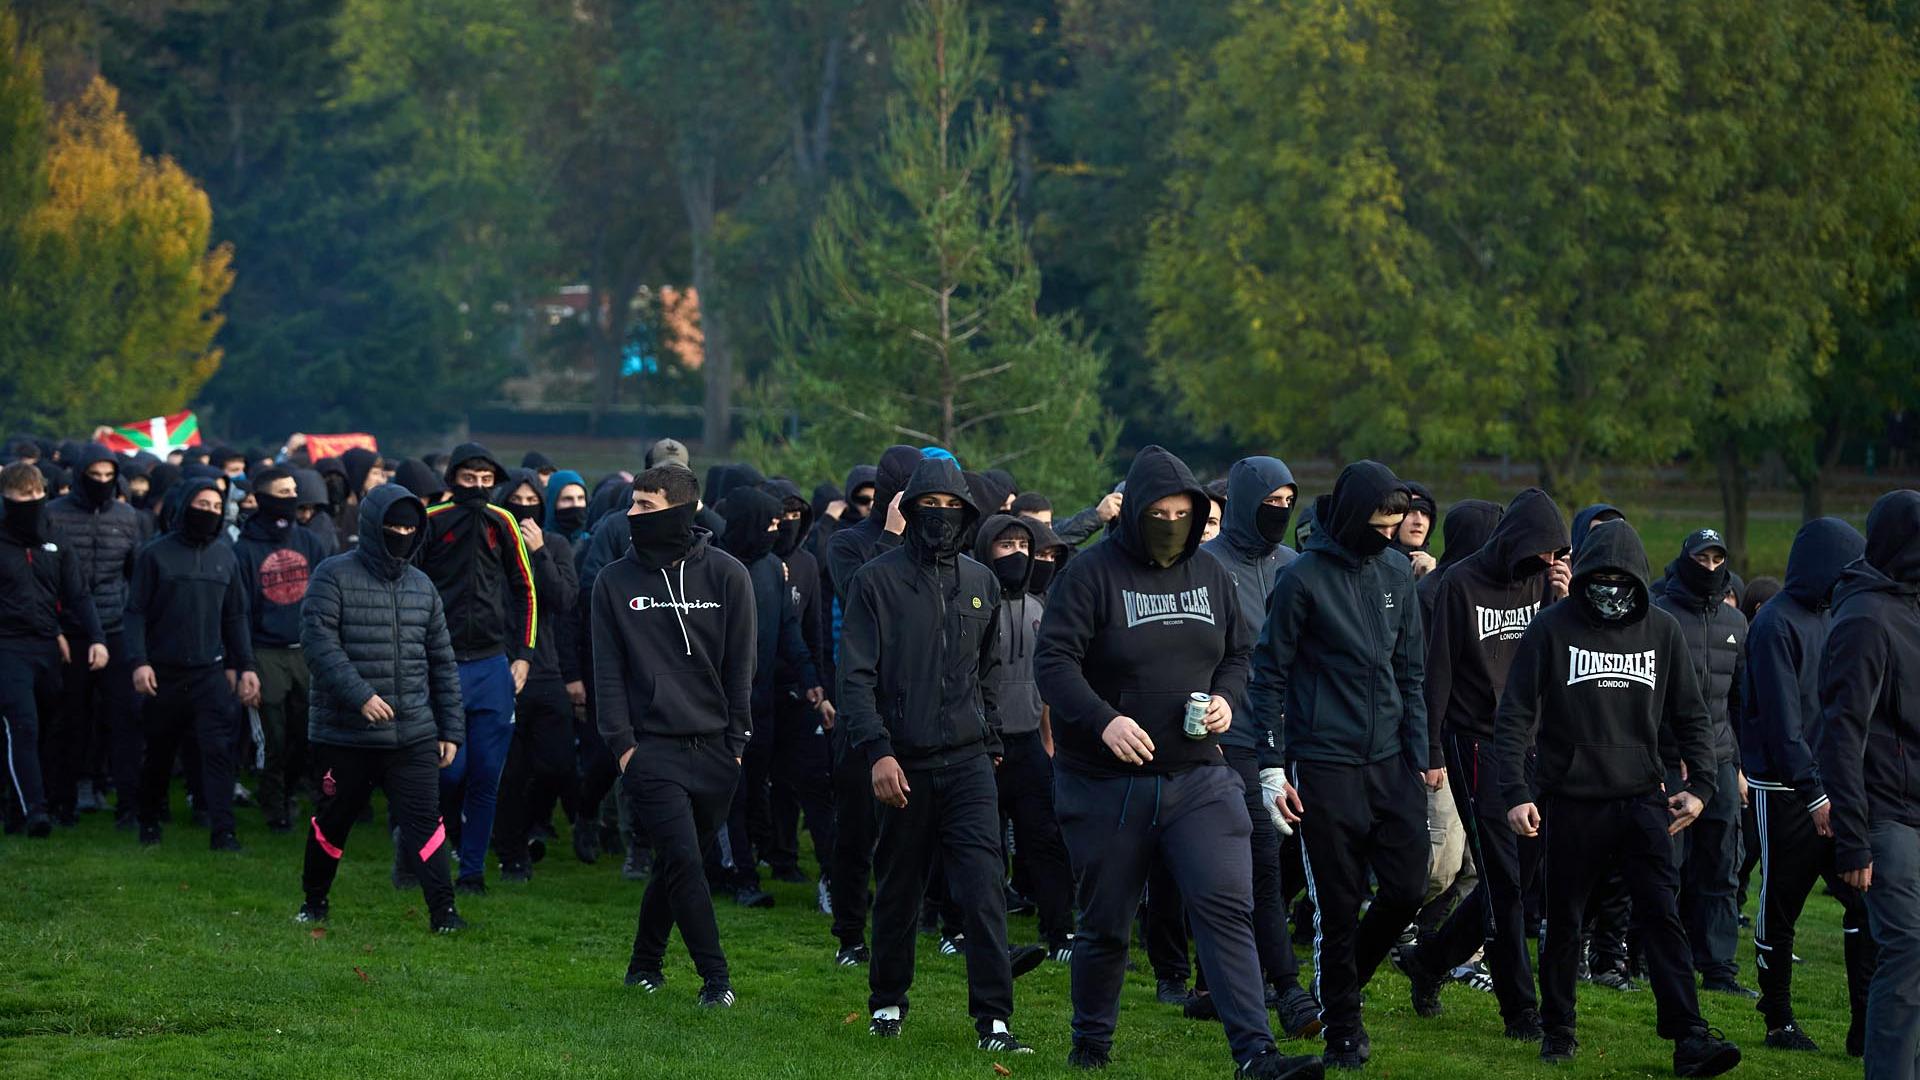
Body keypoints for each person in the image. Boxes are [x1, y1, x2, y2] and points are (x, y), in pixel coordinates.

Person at [1035, 446, 1318, 1079]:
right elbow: (1052, 664)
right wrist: (1103, 720)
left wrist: (1225, 699)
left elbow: (1241, 654)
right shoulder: (1090, 575)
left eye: (1181, 512)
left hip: (1198, 775)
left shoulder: (1211, 574)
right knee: (1105, 924)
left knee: (1225, 908)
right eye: (1157, 512)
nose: (1169, 523)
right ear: (1133, 513)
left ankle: (1257, 1055)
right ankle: (1091, 1041)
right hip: (1106, 782)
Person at [1496, 518, 1741, 1076]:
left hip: (1642, 799)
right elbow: (1514, 716)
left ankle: (1690, 1039)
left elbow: (1692, 715)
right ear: (1583, 573)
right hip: (1570, 799)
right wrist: (1515, 790)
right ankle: (1558, 1030)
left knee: (1662, 918)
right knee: (1563, 924)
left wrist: (1701, 785)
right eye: (1600, 574)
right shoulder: (1551, 627)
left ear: (1638, 574)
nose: (1610, 584)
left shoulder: (1662, 629)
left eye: (1620, 575)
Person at [839, 455, 1038, 1053]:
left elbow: (989, 670)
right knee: (899, 887)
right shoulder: (874, 581)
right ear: (909, 508)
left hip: (972, 759)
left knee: (984, 887)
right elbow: (854, 676)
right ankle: (888, 1003)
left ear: (970, 514)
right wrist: (877, 751)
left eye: (955, 508)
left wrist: (994, 738)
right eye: (931, 505)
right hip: (902, 762)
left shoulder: (981, 582)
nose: (943, 517)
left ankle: (995, 1022)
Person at [1248, 461, 1431, 1071]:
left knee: (1409, 885)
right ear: (1356, 517)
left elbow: (1411, 671)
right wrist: (1272, 765)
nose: (1391, 531)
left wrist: (1421, 754)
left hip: (1390, 761)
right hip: (1323, 763)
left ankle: (1343, 983)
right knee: (1338, 899)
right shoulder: (1302, 580)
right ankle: (1342, 1029)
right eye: (1381, 522)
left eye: (1396, 522)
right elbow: (1268, 674)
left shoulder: (1397, 574)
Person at [1402, 488, 1569, 1039]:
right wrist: (1430, 752)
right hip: (1473, 740)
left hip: (1530, 739)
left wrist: (1557, 604)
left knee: (1522, 874)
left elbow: (1554, 661)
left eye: (1557, 556)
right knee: (1502, 879)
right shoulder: (1460, 583)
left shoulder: (1543, 587)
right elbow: (1438, 673)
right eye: (1543, 553)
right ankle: (1520, 1009)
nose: (1548, 563)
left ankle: (1429, 960)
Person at [593, 464, 753, 1008]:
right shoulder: (613, 581)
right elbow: (607, 672)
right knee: (684, 860)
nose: (632, 514)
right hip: (650, 750)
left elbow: (741, 667)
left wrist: (735, 744)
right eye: (632, 504)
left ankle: (643, 964)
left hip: (716, 750)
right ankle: (717, 980)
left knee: (674, 864)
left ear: (682, 511)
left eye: (646, 506)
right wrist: (623, 747)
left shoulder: (729, 576)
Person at [297, 483, 468, 933]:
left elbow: (442, 662)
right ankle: (314, 901)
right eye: (393, 526)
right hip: (344, 734)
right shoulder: (331, 575)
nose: (402, 534)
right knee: (332, 823)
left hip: (412, 733)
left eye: (410, 528)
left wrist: (451, 729)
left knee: (426, 825)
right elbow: (318, 645)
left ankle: (444, 913)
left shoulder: (422, 586)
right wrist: (361, 696)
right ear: (373, 526)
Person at [1194, 455, 1321, 1038]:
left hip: (1298, 733)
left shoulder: (1297, 566)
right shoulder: (1205, 566)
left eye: (1288, 501)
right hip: (1234, 736)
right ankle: (1289, 990)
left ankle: (1215, 979)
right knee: (1261, 860)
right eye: (1270, 500)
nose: (1281, 511)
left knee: (1292, 860)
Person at [1741, 518, 1873, 1053]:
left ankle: (1865, 1022)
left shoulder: (1835, 617)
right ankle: (1778, 1019)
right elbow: (1781, 718)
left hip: (1832, 784)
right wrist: (1812, 790)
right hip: (1785, 790)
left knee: (1863, 903)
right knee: (1781, 902)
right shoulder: (1774, 623)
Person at [1817, 489, 1920, 1080]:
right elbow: (1841, 733)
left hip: (1913, 811)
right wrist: (1853, 838)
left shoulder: (1908, 608)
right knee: (1906, 951)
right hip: (1886, 816)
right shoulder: (1865, 617)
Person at [419, 443, 538, 893]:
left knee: (487, 774)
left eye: (487, 479)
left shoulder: (503, 521)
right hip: (441, 662)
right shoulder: (430, 522)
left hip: (492, 665)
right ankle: (427, 847)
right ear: (453, 479)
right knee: (448, 772)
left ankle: (471, 873)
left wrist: (524, 655)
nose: (479, 486)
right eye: (469, 478)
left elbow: (526, 589)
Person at [824, 444, 923, 966]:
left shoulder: (932, 551)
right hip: (861, 705)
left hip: (917, 706)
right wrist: (891, 533)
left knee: (909, 832)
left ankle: (901, 929)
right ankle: (849, 934)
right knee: (857, 829)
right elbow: (866, 598)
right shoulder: (847, 544)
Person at [126, 477, 257, 851]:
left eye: (217, 507)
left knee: (218, 751)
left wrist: (245, 665)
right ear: (185, 507)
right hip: (163, 673)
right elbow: (135, 612)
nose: (210, 513)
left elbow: (236, 617)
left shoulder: (225, 555)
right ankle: (149, 820)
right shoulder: (154, 554)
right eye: (203, 505)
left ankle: (223, 831)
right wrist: (139, 662)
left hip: (209, 673)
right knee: (160, 753)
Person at [1653, 529, 1753, 998]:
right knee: (1664, 867)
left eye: (1718, 559)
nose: (1710, 567)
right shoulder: (1659, 614)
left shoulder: (1737, 623)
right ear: (1685, 559)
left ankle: (1718, 970)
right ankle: (1654, 960)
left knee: (1720, 867)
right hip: (1669, 762)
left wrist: (1734, 765)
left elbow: (1738, 704)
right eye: (1702, 558)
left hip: (1719, 762)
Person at [710, 484, 820, 908]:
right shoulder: (715, 568)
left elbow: (789, 628)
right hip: (720, 703)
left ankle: (745, 861)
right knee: (730, 791)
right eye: (771, 524)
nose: (779, 532)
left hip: (763, 702)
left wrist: (810, 677)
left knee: (757, 787)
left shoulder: (774, 568)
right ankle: (739, 874)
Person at [973, 513, 1075, 963]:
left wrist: (1048, 738)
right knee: (983, 847)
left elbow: (1048, 679)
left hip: (1030, 742)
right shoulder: (971, 603)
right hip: (981, 747)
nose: (1016, 554)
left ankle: (1060, 934)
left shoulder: (1040, 608)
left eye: (1022, 546)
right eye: (1005, 545)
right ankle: (964, 929)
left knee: (1046, 840)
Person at [1, 463, 104, 837]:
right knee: (22, 725)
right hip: (8, 646)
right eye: (21, 496)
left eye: (34, 495)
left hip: (46, 644)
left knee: (45, 727)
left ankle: (18, 805)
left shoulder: (56, 539)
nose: (30, 502)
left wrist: (96, 637)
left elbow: (76, 593)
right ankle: (35, 811)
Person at [43, 443, 142, 826]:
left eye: (107, 476)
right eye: (94, 475)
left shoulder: (128, 517)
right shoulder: (54, 516)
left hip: (116, 627)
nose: (101, 482)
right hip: (68, 630)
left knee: (126, 717)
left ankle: (130, 804)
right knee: (70, 718)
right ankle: (63, 800)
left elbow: (135, 574)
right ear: (81, 475)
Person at [490, 469, 580, 882]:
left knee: (557, 765)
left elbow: (563, 599)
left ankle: (533, 826)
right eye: (517, 500)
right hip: (499, 667)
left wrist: (539, 552)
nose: (524, 508)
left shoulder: (556, 544)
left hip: (544, 669)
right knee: (511, 773)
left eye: (532, 501)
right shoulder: (490, 545)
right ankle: (512, 852)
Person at [232, 467, 332, 833]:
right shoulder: (244, 549)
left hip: (306, 650)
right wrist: (244, 663)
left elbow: (326, 598)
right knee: (273, 737)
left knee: (306, 733)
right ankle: (275, 807)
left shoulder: (309, 542)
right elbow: (238, 610)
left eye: (294, 491)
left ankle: (294, 792)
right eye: (282, 492)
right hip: (266, 651)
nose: (291, 498)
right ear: (262, 499)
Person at [763, 478, 838, 909]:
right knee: (759, 783)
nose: (789, 523)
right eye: (780, 515)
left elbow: (813, 630)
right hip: (755, 689)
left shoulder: (808, 564)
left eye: (796, 514)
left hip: (800, 688)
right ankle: (769, 854)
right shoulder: (747, 563)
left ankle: (829, 873)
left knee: (812, 780)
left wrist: (819, 685)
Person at [1395, 482, 1438, 579]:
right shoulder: (1372, 568)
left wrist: (1431, 578)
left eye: (1424, 513)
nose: (1419, 521)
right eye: (1410, 512)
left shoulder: (1441, 575)